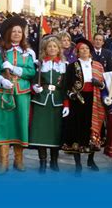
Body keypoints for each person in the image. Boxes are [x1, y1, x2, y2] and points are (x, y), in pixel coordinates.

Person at [0, 16, 36, 174]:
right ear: (9, 33)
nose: (17, 34)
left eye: (20, 31)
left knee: (20, 125)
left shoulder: (28, 52)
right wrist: (1, 80)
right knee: (2, 126)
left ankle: (19, 160)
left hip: (22, 93)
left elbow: (31, 72)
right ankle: (3, 161)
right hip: (2, 93)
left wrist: (16, 69)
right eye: (14, 31)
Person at [61, 39, 106, 176]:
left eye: (87, 49)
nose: (84, 51)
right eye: (82, 49)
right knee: (77, 130)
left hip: (94, 99)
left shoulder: (98, 65)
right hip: (77, 101)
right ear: (78, 51)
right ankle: (78, 163)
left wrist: (100, 85)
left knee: (92, 129)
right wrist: (68, 101)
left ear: (90, 51)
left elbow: (104, 85)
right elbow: (66, 85)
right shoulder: (72, 66)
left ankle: (91, 160)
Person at [29, 36, 67, 174]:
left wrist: (66, 104)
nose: (52, 49)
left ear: (59, 49)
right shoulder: (39, 64)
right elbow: (32, 80)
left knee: (55, 132)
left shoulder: (63, 65)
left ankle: (54, 160)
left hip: (57, 101)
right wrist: (35, 87)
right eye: (49, 46)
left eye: (55, 46)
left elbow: (65, 87)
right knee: (41, 132)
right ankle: (43, 161)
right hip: (41, 100)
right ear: (45, 49)